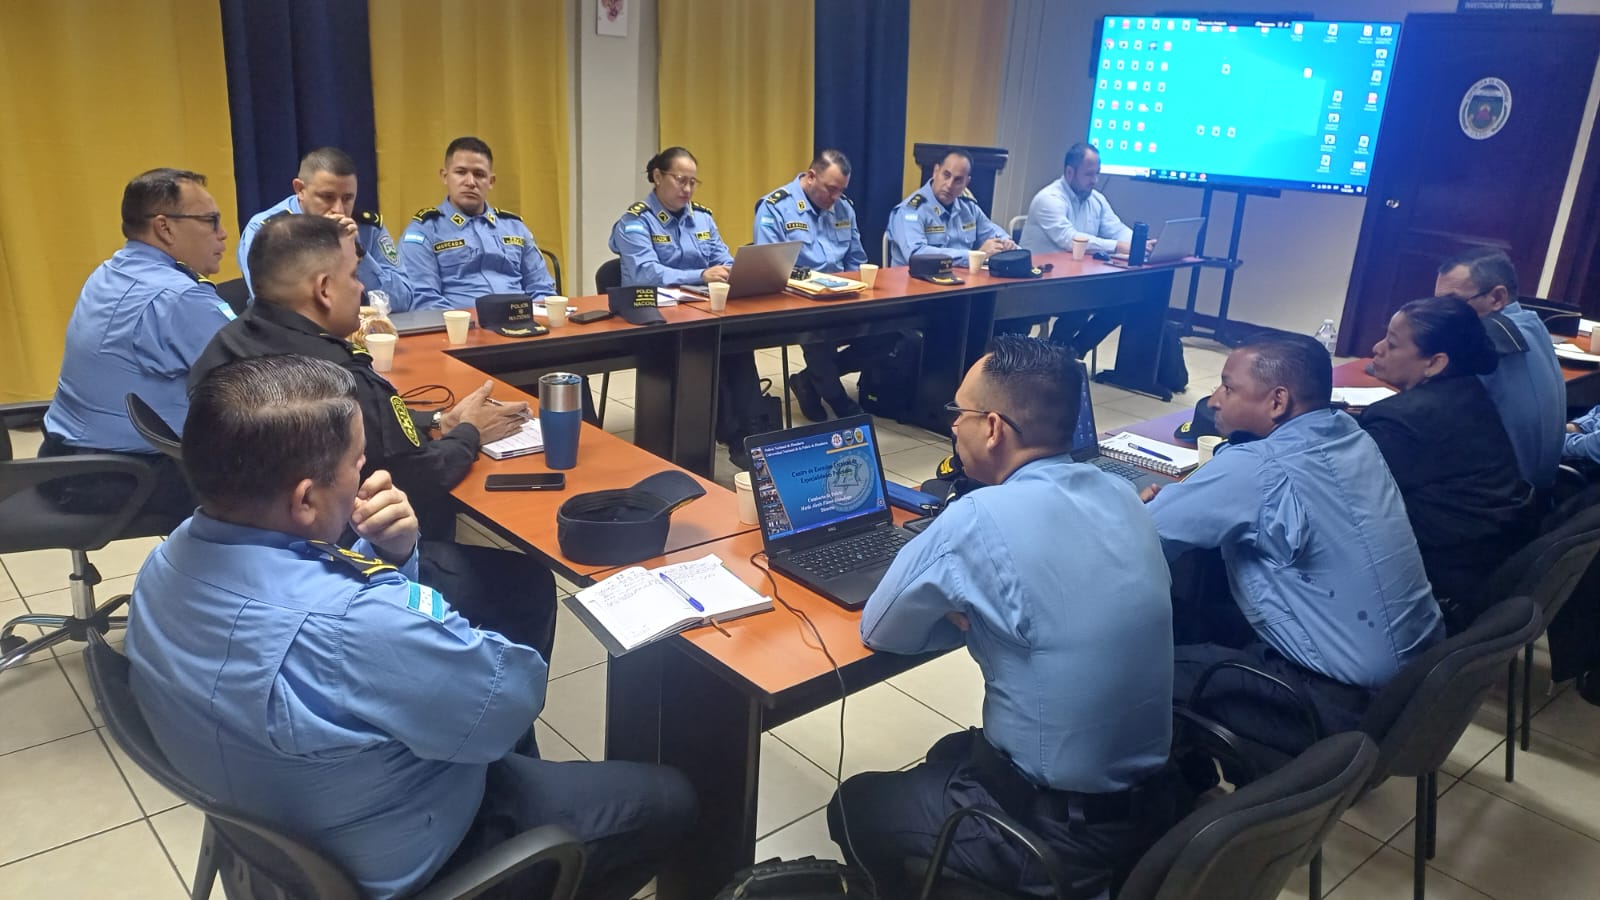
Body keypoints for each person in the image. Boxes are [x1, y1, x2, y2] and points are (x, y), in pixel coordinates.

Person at [127, 354, 694, 900]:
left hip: (278, 823)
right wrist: (408, 598)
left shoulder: (164, 562)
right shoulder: (357, 624)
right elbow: (510, 701)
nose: (365, 475)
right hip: (402, 856)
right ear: (305, 499)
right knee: (668, 798)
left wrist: (391, 555)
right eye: (356, 463)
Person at [829, 336, 1185, 897]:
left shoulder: (976, 518)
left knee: (855, 804)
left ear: (993, 427)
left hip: (1053, 839)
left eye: (960, 412)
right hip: (1152, 808)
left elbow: (881, 630)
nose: (953, 425)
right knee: (948, 753)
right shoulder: (1122, 493)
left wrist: (966, 612)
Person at [190, 215, 558, 658]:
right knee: (528, 581)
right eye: (353, 275)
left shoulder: (224, 345)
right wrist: (469, 433)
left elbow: (372, 432)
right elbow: (417, 478)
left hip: (239, 556)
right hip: (330, 563)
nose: (361, 288)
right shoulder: (339, 380)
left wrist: (437, 419)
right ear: (324, 289)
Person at [1144, 335, 1444, 758]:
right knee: (1203, 592)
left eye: (1228, 387)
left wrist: (1140, 510)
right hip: (1415, 690)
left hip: (1328, 704)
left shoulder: (1259, 468)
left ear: (1278, 401)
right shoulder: (1352, 437)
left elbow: (1141, 541)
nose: (1214, 401)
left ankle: (1173, 784)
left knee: (1133, 670)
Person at [40, 167, 233, 528]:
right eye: (210, 221)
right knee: (288, 475)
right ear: (165, 227)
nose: (222, 233)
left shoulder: (111, 270)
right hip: (119, 477)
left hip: (60, 461)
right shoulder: (177, 296)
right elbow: (265, 379)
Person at [1362, 296, 1536, 624]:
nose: (1377, 348)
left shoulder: (1403, 420)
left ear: (1435, 363)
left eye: (1393, 344)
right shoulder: (1469, 392)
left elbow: (1341, 494)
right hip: (1482, 561)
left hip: (1432, 581)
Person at [610, 146, 766, 467]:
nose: (688, 189)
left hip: (702, 310)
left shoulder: (703, 218)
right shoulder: (636, 222)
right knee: (706, 348)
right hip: (654, 317)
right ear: (657, 177)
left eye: (693, 182)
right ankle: (730, 434)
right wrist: (700, 275)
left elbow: (723, 258)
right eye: (681, 180)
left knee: (739, 342)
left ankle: (750, 432)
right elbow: (645, 274)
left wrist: (733, 270)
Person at [752, 148, 885, 421]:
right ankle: (838, 400)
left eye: (841, 190)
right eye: (831, 189)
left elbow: (856, 259)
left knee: (892, 331)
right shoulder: (775, 207)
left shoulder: (844, 208)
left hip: (842, 297)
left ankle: (808, 381)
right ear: (811, 176)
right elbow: (769, 268)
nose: (835, 197)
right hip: (798, 302)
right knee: (819, 331)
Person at [1435, 247, 1564, 492]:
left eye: (1451, 302)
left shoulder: (1487, 340)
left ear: (1497, 298)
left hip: (1501, 498)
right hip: (1539, 491)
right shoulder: (1533, 324)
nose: (1440, 313)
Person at [237, 146, 413, 309]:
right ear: (300, 189)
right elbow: (270, 308)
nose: (339, 210)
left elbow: (402, 301)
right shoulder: (266, 230)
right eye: (327, 197)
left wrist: (356, 253)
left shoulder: (368, 229)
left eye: (347, 198)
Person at [399, 136, 557, 311]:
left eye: (479, 174)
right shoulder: (423, 231)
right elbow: (424, 299)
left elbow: (542, 288)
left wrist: (541, 317)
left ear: (491, 181)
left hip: (521, 321)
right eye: (461, 172)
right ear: (445, 176)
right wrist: (464, 324)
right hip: (459, 325)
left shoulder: (515, 228)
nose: (470, 182)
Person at [1020, 143, 1145, 357]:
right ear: (1070, 172)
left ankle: (1071, 353)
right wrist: (1118, 246)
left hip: (1075, 281)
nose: (1094, 180)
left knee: (1122, 301)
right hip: (1039, 283)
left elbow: (1116, 229)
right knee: (1082, 302)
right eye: (1089, 174)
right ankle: (1056, 355)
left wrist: (1141, 243)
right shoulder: (1049, 199)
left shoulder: (1096, 199)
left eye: (1097, 173)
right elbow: (1070, 239)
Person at [885, 149, 1015, 267]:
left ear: (966, 183)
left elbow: (991, 231)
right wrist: (974, 256)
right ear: (935, 171)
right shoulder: (910, 211)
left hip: (960, 282)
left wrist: (1005, 242)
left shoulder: (968, 208)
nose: (949, 185)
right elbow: (915, 254)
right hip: (916, 283)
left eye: (958, 180)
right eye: (946, 175)